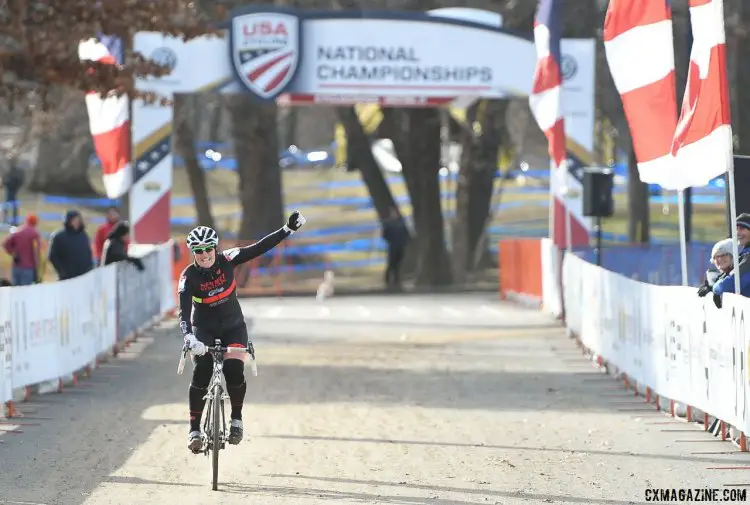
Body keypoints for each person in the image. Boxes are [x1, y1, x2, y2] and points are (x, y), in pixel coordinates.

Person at [179, 210, 307, 453]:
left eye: (208, 249)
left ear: (215, 248)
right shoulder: (188, 277)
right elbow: (183, 311)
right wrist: (189, 337)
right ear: (193, 253)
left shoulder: (228, 259)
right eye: (199, 251)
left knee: (233, 369)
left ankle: (236, 419)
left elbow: (259, 248)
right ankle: (194, 429)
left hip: (233, 326)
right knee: (202, 371)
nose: (204, 255)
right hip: (203, 328)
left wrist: (287, 230)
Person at [48, 209, 94, 281]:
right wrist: (62, 272)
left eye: (78, 219)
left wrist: (90, 267)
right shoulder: (59, 236)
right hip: (67, 278)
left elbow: (88, 253)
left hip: (84, 276)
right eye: (74, 219)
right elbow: (52, 257)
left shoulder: (83, 235)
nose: (76, 222)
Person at [2, 214, 41, 285]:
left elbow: (5, 244)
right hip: (28, 268)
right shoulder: (34, 234)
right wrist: (37, 267)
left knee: (16, 291)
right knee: (25, 292)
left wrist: (12, 253)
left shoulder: (17, 231)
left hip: (16, 266)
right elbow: (37, 251)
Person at [381, 207, 409, 291]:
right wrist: (391, 241)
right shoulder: (389, 224)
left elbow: (406, 235)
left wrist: (404, 242)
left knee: (398, 264)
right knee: (391, 264)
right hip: (392, 247)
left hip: (400, 246)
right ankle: (387, 280)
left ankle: (397, 281)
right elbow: (385, 235)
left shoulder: (401, 224)